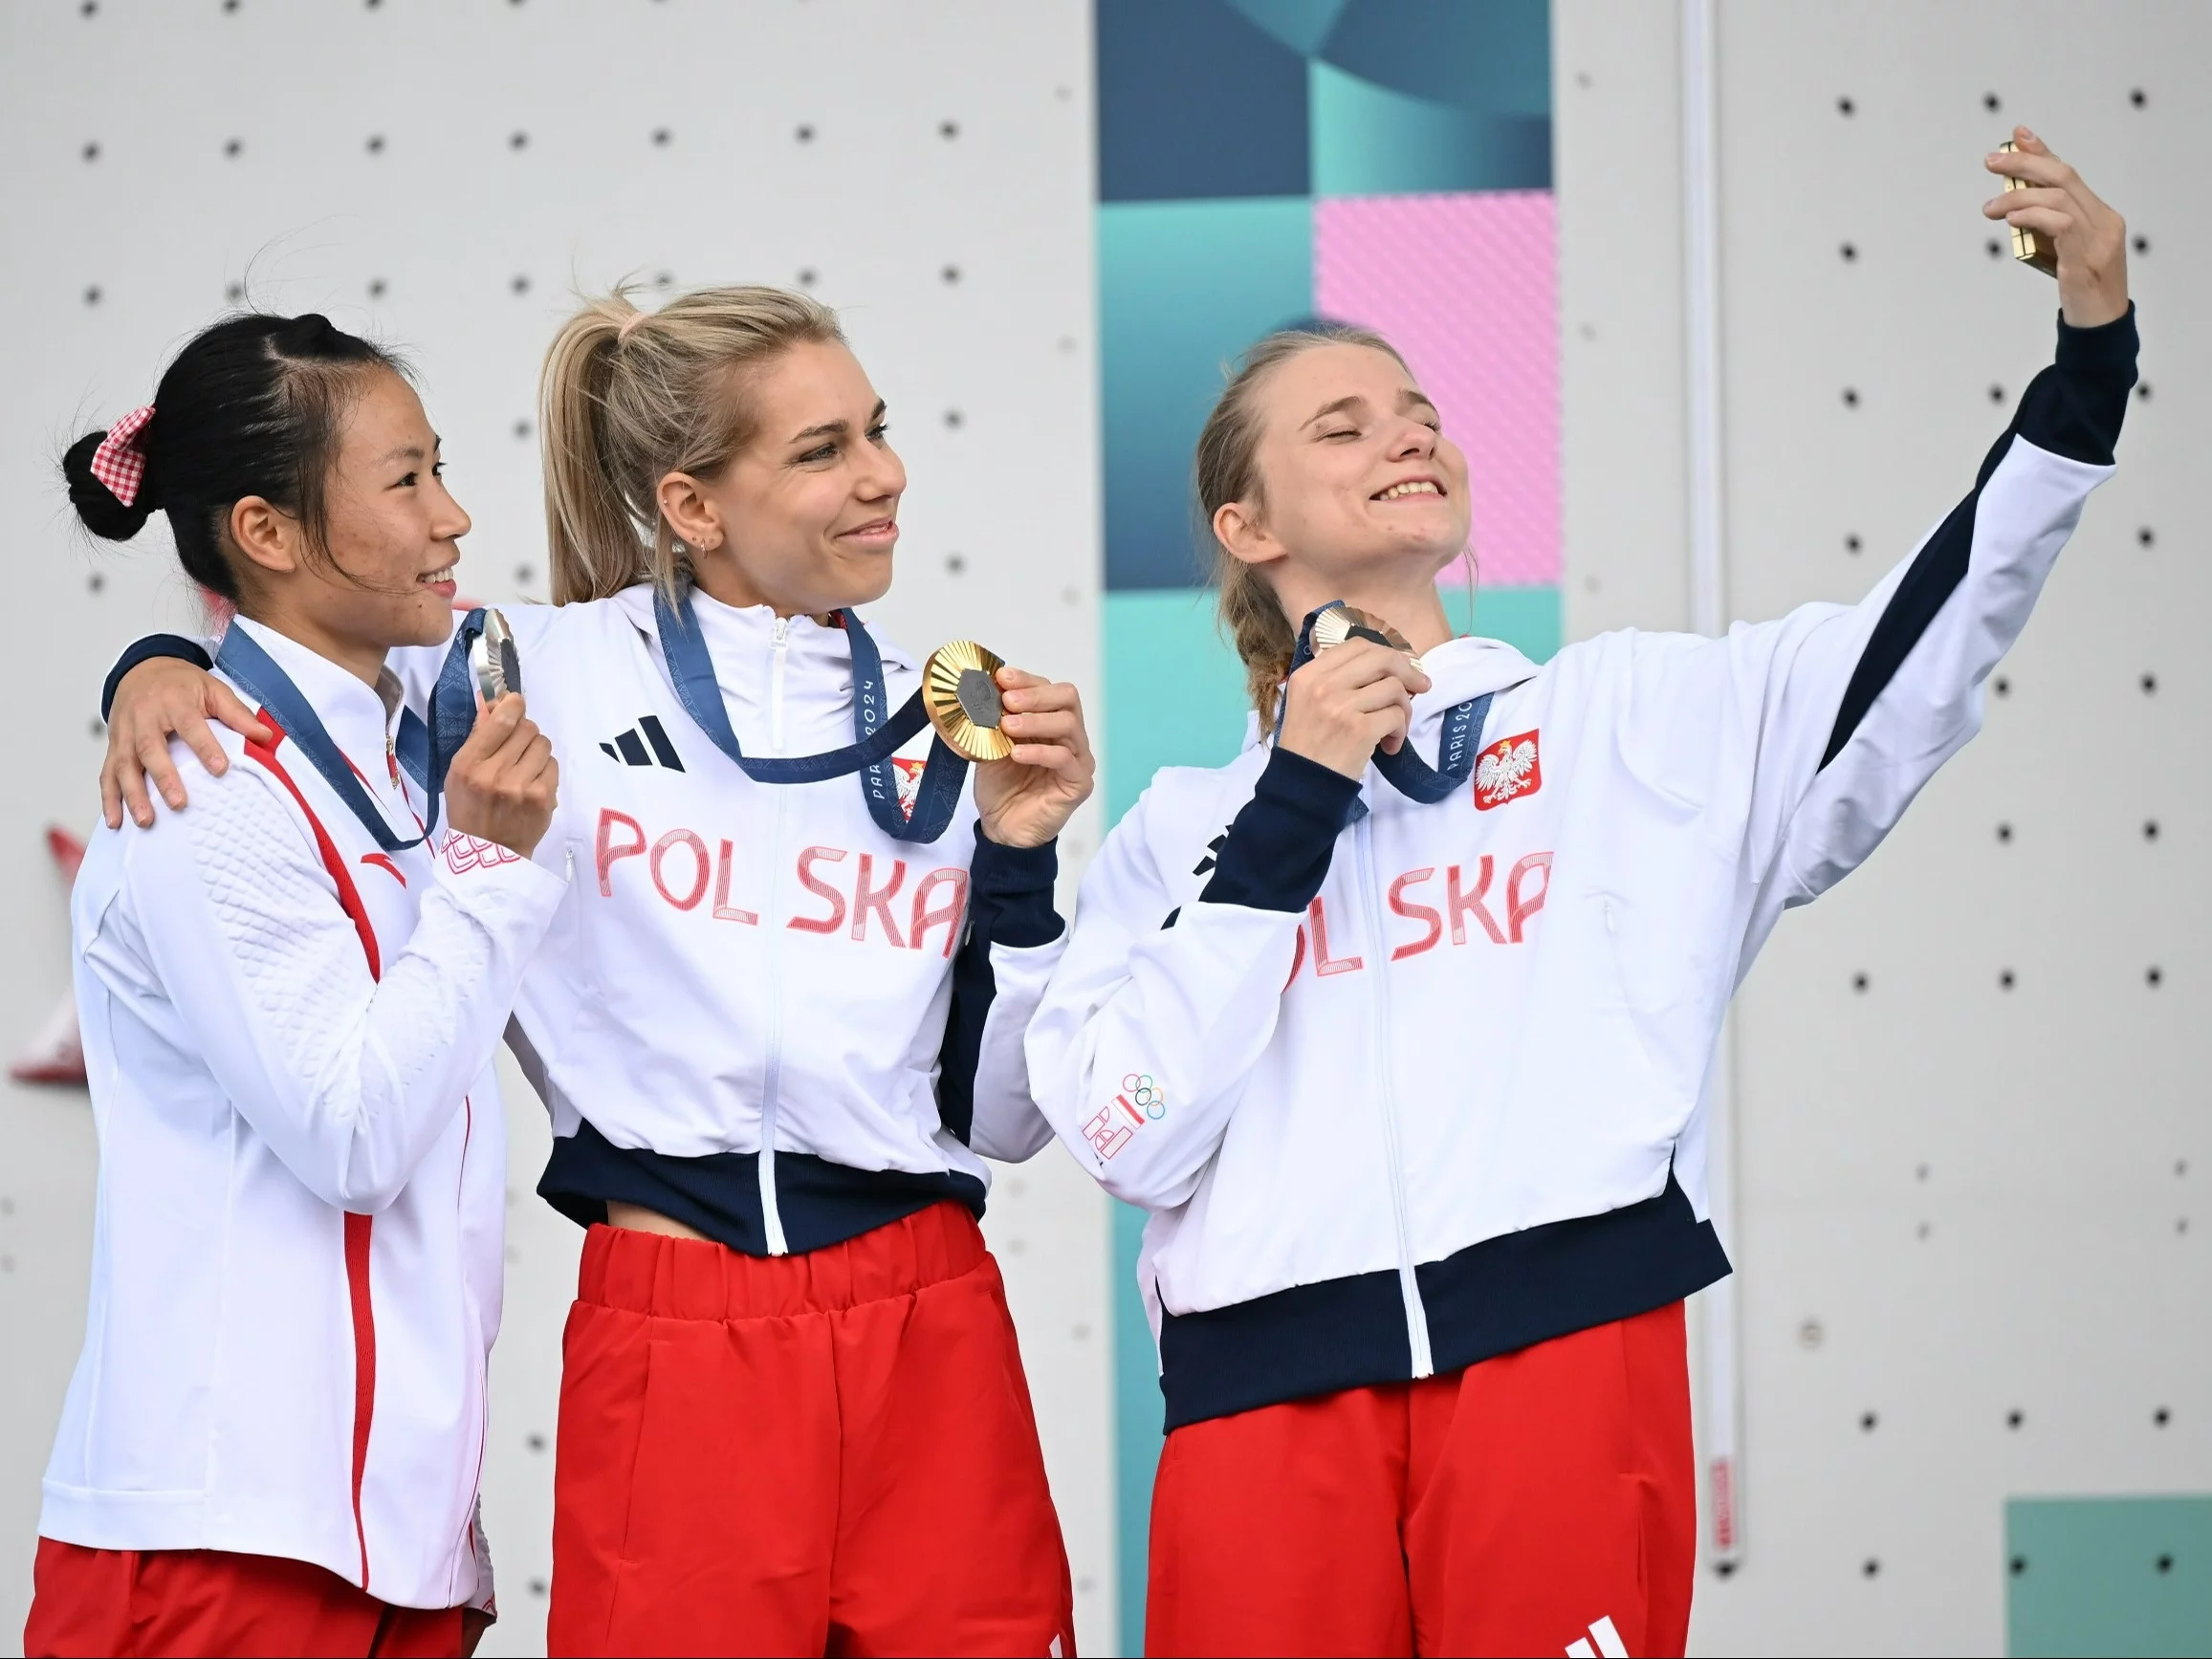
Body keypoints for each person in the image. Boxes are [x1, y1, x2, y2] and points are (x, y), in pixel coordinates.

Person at [1024, 129, 2135, 1657]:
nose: (1406, 435)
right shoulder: (1179, 830)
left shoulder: (1635, 724)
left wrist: (2088, 361)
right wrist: (1294, 807)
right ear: (1249, 527)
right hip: (1263, 1406)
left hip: (1567, 1361)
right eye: (1340, 427)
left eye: (1418, 412)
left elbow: (1930, 623)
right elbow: (1124, 1128)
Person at [99, 286, 1093, 1657]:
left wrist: (1025, 858)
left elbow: (1001, 1119)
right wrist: (152, 662)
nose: (883, 474)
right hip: (679, 1319)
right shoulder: (519, 671)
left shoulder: (953, 719)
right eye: (821, 449)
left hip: (929, 1311)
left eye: (877, 430)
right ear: (692, 506)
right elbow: (293, 629)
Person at [27, 314, 565, 1659]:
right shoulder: (200, 792)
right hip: (225, 1546)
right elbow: (355, 1132)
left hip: (390, 1543)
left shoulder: (407, 733)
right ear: (264, 534)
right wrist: (485, 872)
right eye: (405, 480)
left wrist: (147, 660)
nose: (454, 515)